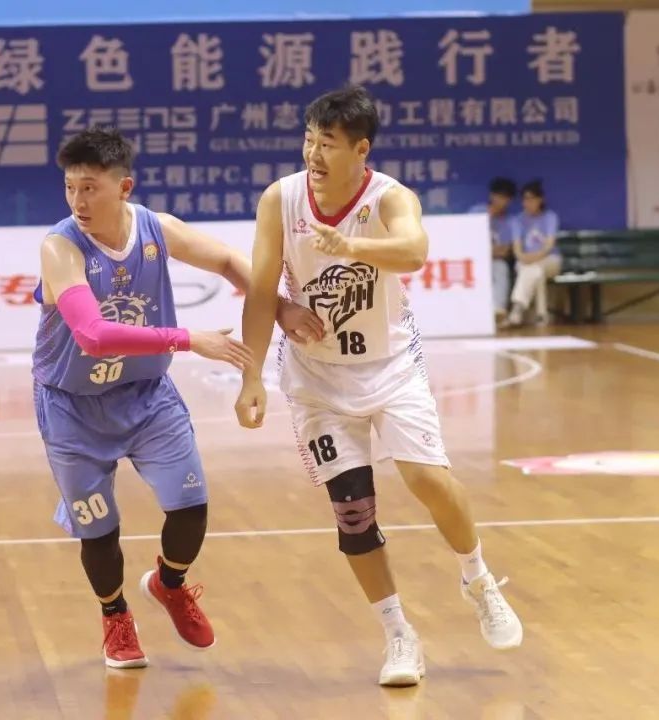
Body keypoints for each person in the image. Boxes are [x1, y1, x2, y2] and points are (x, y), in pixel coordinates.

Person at [234, 85, 522, 688]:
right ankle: (398, 635)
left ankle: (477, 579)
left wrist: (352, 246)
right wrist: (252, 373)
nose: (313, 155)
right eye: (309, 140)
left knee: (426, 479)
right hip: (316, 377)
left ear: (360, 149)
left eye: (328, 144)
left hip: (390, 366)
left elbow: (414, 251)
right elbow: (261, 291)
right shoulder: (280, 199)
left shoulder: (390, 196)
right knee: (353, 512)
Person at [32, 127, 320, 669]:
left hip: (147, 396)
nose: (77, 201)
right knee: (99, 531)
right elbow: (92, 335)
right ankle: (116, 616)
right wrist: (190, 340)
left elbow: (230, 260)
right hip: (73, 407)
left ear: (124, 187)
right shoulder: (60, 247)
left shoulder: (155, 228)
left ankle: (169, 583)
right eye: (70, 187)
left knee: (191, 509)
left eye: (90, 188)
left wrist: (280, 307)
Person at [505, 180, 561, 328]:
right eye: (525, 199)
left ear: (540, 199)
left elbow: (549, 246)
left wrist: (534, 258)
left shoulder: (550, 217)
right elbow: (517, 248)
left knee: (535, 268)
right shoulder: (517, 220)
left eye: (531, 199)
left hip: (550, 260)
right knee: (536, 271)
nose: (527, 203)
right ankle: (541, 315)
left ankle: (517, 310)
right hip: (525, 262)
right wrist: (523, 257)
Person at [470, 178, 519, 319]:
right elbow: (468, 241)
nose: (501, 201)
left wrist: (486, 250)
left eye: (505, 198)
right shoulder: (477, 212)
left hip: (495, 260)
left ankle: (498, 310)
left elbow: (505, 251)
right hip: (474, 259)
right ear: (492, 195)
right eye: (498, 196)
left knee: (501, 268)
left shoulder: (511, 221)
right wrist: (488, 218)